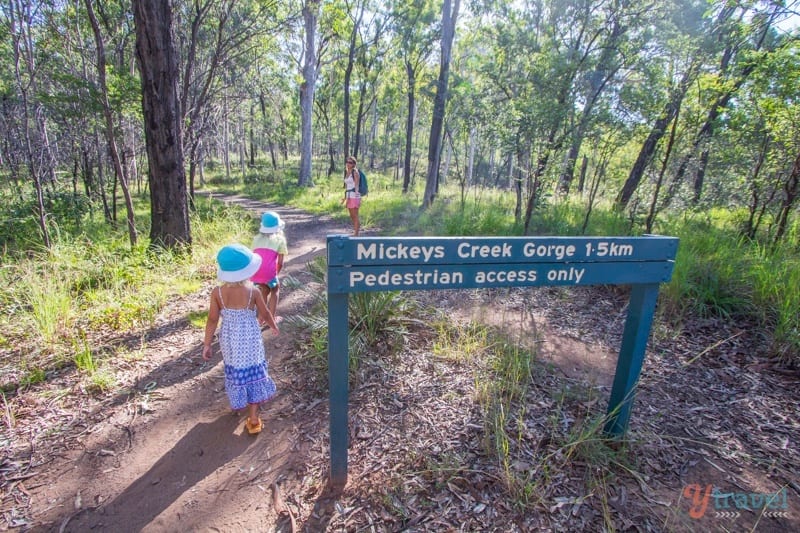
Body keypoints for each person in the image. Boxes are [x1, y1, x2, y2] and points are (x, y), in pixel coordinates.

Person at [202, 243, 280, 435]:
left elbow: (212, 320)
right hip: (250, 340)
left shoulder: (217, 293)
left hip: (230, 341)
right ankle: (253, 418)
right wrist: (273, 325)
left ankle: (238, 402)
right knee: (253, 371)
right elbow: (265, 313)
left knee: (236, 369)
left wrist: (207, 344)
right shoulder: (253, 291)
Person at [251, 211, 288, 322]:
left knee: (263, 290)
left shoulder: (256, 238)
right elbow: (280, 262)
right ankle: (271, 317)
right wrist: (275, 273)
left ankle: (261, 318)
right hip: (269, 272)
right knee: (275, 290)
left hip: (256, 270)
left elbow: (254, 254)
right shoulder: (280, 240)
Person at [342, 156, 361, 236]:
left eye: (350, 162)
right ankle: (355, 232)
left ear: (353, 164)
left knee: (355, 215)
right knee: (352, 216)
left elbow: (357, 185)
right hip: (349, 196)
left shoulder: (355, 172)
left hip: (354, 196)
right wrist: (345, 198)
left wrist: (357, 197)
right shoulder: (347, 172)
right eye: (347, 162)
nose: (348, 164)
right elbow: (347, 187)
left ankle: (356, 234)